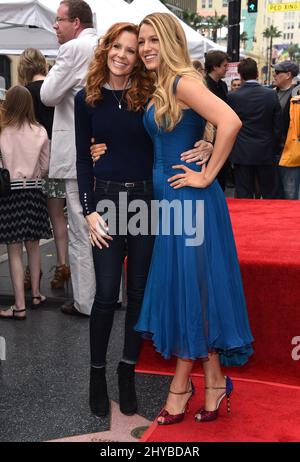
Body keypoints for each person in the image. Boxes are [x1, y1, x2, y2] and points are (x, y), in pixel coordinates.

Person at [78, 23, 213, 418]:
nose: (123, 55)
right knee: (105, 294)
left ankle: (126, 373)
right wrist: (87, 211)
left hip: (146, 200)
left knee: (137, 292)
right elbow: (84, 161)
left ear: (139, 57)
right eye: (116, 47)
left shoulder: (151, 93)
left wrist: (206, 140)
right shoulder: (84, 99)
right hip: (104, 202)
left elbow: (189, 118)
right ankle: (96, 375)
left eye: (131, 49)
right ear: (105, 50)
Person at [135, 13, 253, 425]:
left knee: (190, 290)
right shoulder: (164, 84)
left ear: (169, 42)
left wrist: (208, 174)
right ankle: (214, 381)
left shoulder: (181, 81)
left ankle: (180, 389)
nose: (146, 48)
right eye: (142, 41)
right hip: (173, 203)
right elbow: (196, 128)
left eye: (153, 40)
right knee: (193, 290)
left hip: (191, 201)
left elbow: (230, 121)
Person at [41, 0, 98, 316]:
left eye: (59, 21)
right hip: (102, 150)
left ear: (76, 22)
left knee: (80, 229)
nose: (55, 27)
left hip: (77, 153)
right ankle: (108, 295)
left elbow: (48, 94)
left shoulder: (73, 50)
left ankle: (85, 301)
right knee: (106, 225)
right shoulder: (103, 44)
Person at [18, 48, 70, 290]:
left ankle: (33, 270)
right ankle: (62, 266)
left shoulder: (23, 93)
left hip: (32, 168)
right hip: (57, 162)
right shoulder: (54, 89)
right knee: (57, 216)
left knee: (33, 222)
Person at [0, 86, 51, 320]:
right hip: (34, 192)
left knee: (14, 251)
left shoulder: (2, 131)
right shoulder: (40, 131)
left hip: (10, 195)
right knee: (34, 245)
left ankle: (19, 306)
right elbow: (45, 166)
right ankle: (37, 294)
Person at [227, 58, 282, 199]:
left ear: (240, 75)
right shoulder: (271, 95)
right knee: (270, 194)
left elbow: (229, 124)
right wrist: (273, 147)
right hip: (265, 151)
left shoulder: (233, 97)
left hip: (242, 152)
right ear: (257, 74)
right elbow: (277, 126)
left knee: (244, 195)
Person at [273, 61, 300, 199]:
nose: (274, 75)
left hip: (290, 151)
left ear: (288, 75)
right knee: (276, 195)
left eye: (278, 72)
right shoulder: (272, 92)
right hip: (274, 151)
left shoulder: (297, 95)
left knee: (290, 195)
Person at [204, 50, 229, 191]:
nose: (227, 68)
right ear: (215, 67)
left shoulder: (223, 85)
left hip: (222, 135)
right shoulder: (203, 85)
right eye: (225, 66)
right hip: (208, 138)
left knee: (222, 176)